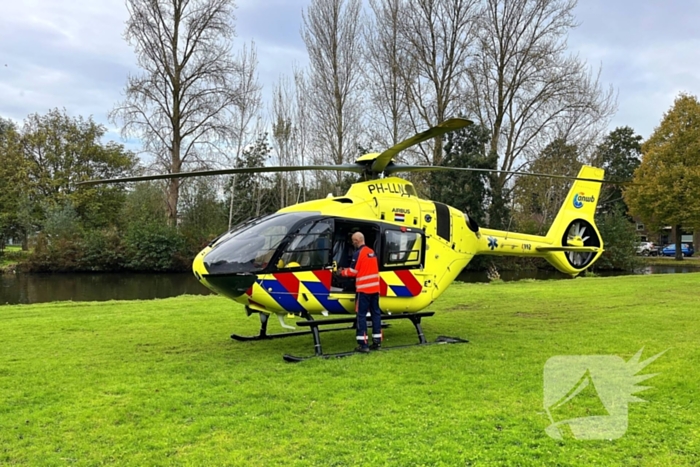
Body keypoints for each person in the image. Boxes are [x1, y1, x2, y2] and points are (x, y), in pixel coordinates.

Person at [339, 232, 382, 352]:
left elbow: (353, 271)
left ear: (357, 241)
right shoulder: (371, 252)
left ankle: (363, 344)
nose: (353, 243)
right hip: (375, 289)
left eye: (353, 241)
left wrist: (341, 272)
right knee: (376, 314)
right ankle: (377, 341)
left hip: (364, 290)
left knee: (361, 316)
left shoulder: (358, 253)